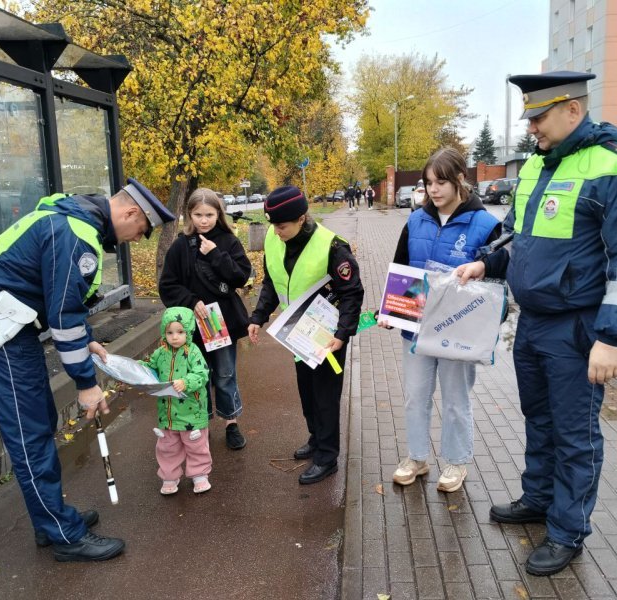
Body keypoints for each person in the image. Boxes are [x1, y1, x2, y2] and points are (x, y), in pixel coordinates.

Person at [455, 71, 617, 576]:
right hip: (534, 325)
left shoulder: (615, 166)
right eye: (529, 118)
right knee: (539, 420)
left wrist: (612, 338)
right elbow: (518, 236)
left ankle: (568, 531)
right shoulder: (537, 167)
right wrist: (488, 263)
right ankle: (539, 499)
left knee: (575, 435)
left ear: (573, 110)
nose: (531, 128)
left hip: (579, 328)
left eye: (539, 117)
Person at [0, 177, 176, 562]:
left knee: (38, 421)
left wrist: (85, 339)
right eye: (138, 230)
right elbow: (62, 316)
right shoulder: (77, 234)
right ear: (128, 212)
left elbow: (62, 299)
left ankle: (51, 521)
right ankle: (64, 535)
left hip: (7, 326)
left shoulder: (71, 218)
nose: (130, 239)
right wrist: (86, 383)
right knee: (30, 433)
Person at [378, 147, 505, 494]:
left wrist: (483, 269)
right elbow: (402, 267)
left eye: (441, 182)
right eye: (428, 183)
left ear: (460, 180)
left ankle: (456, 461)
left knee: (455, 399)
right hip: (416, 328)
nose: (433, 190)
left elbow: (502, 271)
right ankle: (417, 458)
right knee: (416, 396)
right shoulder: (416, 219)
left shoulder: (485, 224)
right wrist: (390, 311)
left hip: (458, 331)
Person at [247, 186, 363, 484]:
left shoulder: (332, 246)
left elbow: (351, 293)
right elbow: (272, 281)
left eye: (282, 225)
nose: (276, 231)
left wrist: (343, 334)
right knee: (308, 393)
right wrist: (258, 317)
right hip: (298, 334)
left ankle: (328, 457)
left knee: (326, 396)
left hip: (327, 336)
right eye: (273, 224)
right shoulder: (275, 240)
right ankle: (316, 438)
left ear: (301, 218)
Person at [159, 187, 252, 450]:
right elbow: (167, 284)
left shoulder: (228, 241)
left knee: (224, 373)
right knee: (195, 376)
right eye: (198, 214)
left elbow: (240, 276)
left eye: (209, 214)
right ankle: (200, 422)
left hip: (221, 325)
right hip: (190, 327)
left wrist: (215, 254)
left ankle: (231, 422)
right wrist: (191, 301)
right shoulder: (180, 246)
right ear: (189, 214)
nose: (203, 220)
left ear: (218, 214)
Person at [141, 306, 212, 495]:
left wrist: (186, 382)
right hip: (168, 414)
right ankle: (169, 477)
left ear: (188, 332)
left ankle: (199, 474)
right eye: (170, 332)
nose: (174, 337)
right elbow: (149, 367)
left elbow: (202, 374)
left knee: (196, 445)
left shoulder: (193, 352)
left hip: (192, 413)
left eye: (180, 332)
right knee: (167, 447)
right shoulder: (160, 353)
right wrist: (135, 368)